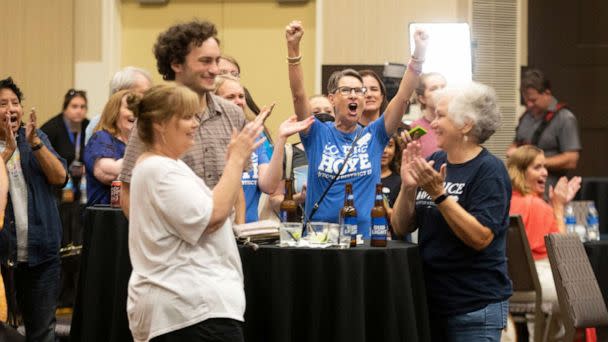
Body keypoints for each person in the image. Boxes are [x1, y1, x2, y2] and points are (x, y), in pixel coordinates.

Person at [127, 84, 264, 342]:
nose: (195, 125)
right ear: (159, 123)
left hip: (193, 309)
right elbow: (211, 217)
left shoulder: (167, 166)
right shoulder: (160, 170)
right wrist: (235, 161)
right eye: (187, 117)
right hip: (190, 311)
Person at [391, 82, 512, 341]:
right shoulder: (435, 161)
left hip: (473, 307)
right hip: (431, 303)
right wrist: (408, 188)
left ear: (466, 124)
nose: (432, 124)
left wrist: (440, 195)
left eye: (441, 115)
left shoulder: (489, 170)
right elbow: (402, 227)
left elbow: (480, 238)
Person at [285, 20, 427, 237]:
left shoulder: (374, 135)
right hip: (319, 241)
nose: (354, 95)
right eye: (346, 90)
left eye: (359, 91)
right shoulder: (316, 133)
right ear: (332, 98)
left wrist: (418, 56)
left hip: (363, 242)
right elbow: (298, 94)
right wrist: (293, 48)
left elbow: (402, 97)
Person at [119, 20, 248, 216]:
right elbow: (128, 190)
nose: (215, 69)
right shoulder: (156, 116)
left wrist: (239, 237)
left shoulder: (233, 114)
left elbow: (236, 189)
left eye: (216, 60)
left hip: (223, 240)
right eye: (205, 61)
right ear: (176, 64)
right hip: (176, 241)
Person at [0, 77, 68, 341]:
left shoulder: (36, 138)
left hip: (42, 254)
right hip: (4, 256)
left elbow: (60, 178)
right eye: (2, 104)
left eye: (15, 103)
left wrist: (35, 144)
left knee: (43, 332)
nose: (10, 109)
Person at [214, 74, 313, 222]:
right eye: (230, 97)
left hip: (249, 230)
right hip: (219, 226)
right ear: (215, 100)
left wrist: (281, 138)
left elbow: (268, 186)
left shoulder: (255, 135)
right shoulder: (210, 137)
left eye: (241, 96)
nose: (239, 101)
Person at [507, 145, 581, 341]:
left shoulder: (502, 202)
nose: (545, 172)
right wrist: (558, 207)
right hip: (537, 286)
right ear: (521, 172)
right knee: (577, 292)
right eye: (537, 167)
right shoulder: (539, 206)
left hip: (504, 287)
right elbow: (564, 255)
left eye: (545, 167)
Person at [506, 69, 581, 196]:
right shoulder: (526, 116)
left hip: (549, 193)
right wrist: (513, 151)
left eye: (533, 100)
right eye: (526, 100)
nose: (529, 105)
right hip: (523, 191)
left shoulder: (565, 118)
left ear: (547, 93)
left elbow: (571, 160)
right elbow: (516, 143)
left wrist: (533, 162)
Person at [84, 90, 138, 206]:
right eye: (129, 108)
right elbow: (108, 172)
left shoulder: (140, 143)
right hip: (106, 217)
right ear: (114, 111)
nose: (135, 113)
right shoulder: (101, 138)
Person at [40, 88, 89, 199]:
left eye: (83, 107)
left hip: (82, 186)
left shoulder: (89, 127)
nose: (79, 110)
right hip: (56, 186)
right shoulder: (51, 128)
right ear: (65, 108)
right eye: (74, 106)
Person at [84, 66, 153, 144]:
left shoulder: (152, 121)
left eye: (149, 93)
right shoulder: (97, 123)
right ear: (119, 94)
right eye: (143, 93)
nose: (148, 98)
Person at [411, 72, 446, 158]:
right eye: (434, 89)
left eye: (443, 87)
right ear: (422, 98)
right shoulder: (415, 128)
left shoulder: (456, 124)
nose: (441, 92)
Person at [380, 134, 402, 227]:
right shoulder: (363, 179)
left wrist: (389, 211)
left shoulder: (400, 181)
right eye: (381, 144)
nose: (385, 150)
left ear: (395, 151)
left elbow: (404, 219)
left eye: (389, 145)